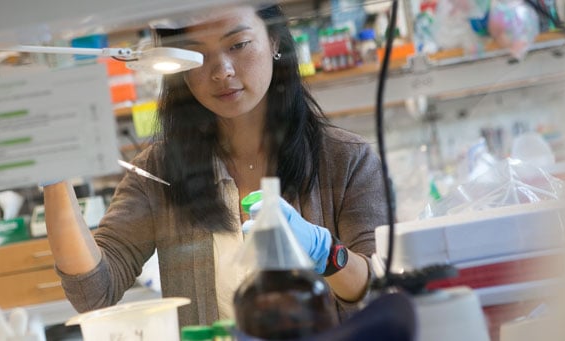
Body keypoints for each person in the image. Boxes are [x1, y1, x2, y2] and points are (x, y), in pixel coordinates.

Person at [43, 3, 388, 328]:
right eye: (196, 54)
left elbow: (381, 296)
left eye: (237, 44)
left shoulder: (347, 160)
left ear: (274, 41)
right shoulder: (159, 171)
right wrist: (53, 174)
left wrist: (325, 252)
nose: (221, 71)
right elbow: (93, 293)